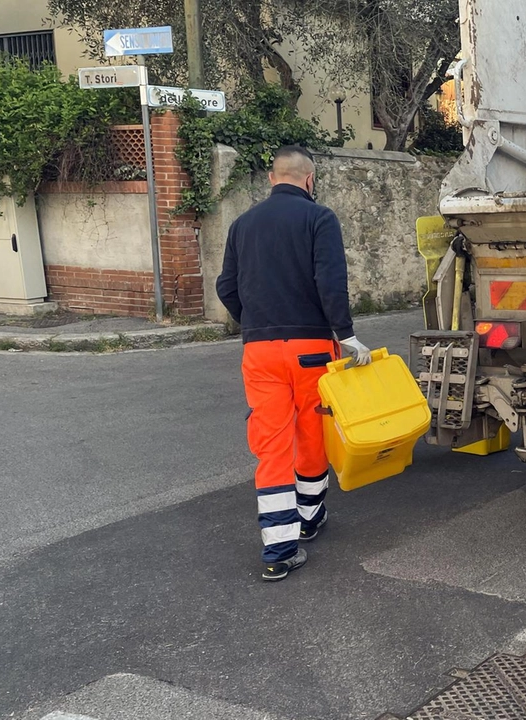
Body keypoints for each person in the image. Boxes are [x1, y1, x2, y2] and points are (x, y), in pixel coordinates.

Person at [217, 145, 373, 582]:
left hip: (260, 351)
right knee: (311, 433)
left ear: (272, 178)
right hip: (311, 349)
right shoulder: (319, 218)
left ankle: (279, 550)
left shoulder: (242, 225)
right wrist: (345, 335)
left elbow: (226, 286)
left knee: (271, 444)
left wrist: (254, 323)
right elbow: (330, 280)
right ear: (309, 179)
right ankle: (309, 517)